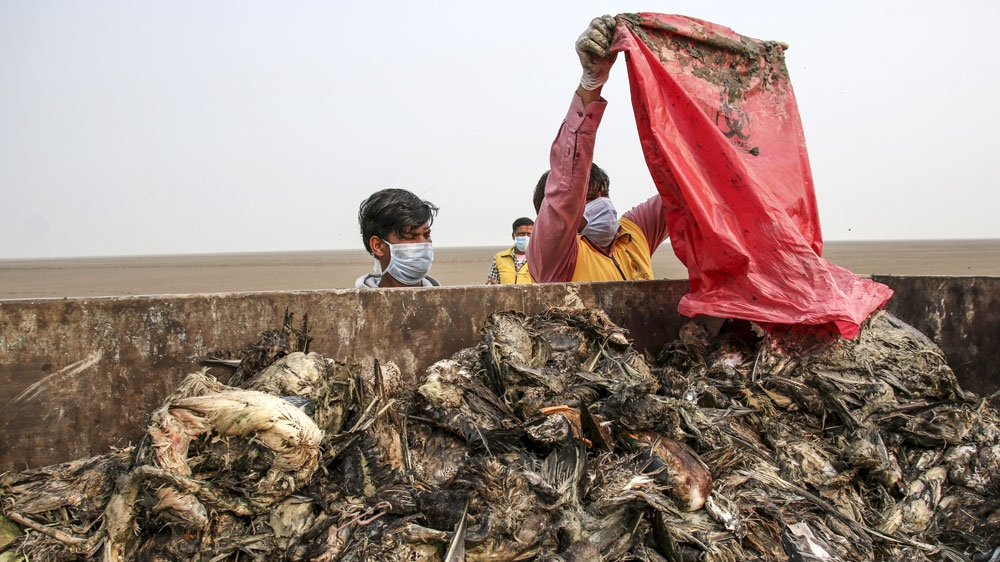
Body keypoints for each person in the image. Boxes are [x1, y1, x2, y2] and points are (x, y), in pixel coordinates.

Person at [527, 15, 669, 283]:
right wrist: (592, 84)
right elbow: (567, 183)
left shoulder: (633, 233)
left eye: (605, 194)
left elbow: (681, 191)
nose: (604, 204)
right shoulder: (554, 257)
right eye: (589, 199)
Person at [355, 188, 440, 288]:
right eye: (411, 236)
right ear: (378, 246)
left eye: (426, 235)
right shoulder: (354, 302)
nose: (423, 243)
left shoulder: (448, 300)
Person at [486, 217, 535, 285]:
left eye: (529, 234)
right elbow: (492, 284)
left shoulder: (539, 260)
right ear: (513, 236)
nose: (525, 237)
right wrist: (492, 285)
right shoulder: (499, 258)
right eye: (521, 234)